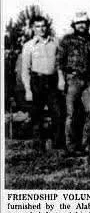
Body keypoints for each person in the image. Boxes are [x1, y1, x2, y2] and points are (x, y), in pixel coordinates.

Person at [56, 12, 90, 156]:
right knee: (71, 114)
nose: (82, 25)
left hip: (89, 80)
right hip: (72, 79)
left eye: (84, 22)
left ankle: (86, 145)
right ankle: (70, 147)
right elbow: (59, 62)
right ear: (74, 25)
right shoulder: (67, 40)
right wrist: (61, 80)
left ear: (88, 24)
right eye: (78, 23)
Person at [21, 16, 62, 150]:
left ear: (47, 26)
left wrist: (61, 80)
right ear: (33, 28)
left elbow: (59, 64)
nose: (41, 29)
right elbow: (25, 70)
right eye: (38, 26)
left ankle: (57, 145)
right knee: (36, 114)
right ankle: (39, 146)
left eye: (43, 26)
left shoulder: (56, 42)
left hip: (52, 81)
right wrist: (28, 90)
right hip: (36, 82)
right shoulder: (28, 46)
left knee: (57, 112)